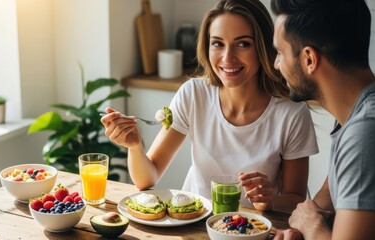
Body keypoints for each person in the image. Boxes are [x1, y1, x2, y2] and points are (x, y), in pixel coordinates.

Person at [101, 0, 318, 213]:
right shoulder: (194, 94)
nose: (227, 58)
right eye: (218, 43)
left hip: (255, 228)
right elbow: (147, 180)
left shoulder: (292, 113)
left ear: (262, 47)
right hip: (195, 223)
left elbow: (296, 199)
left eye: (243, 44)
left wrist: (269, 202)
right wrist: (135, 146)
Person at [271, 0, 375, 239]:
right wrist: (304, 227)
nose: (276, 64)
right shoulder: (356, 115)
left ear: (309, 59)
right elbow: (334, 190)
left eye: (280, 52)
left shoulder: (367, 130)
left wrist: (311, 226)